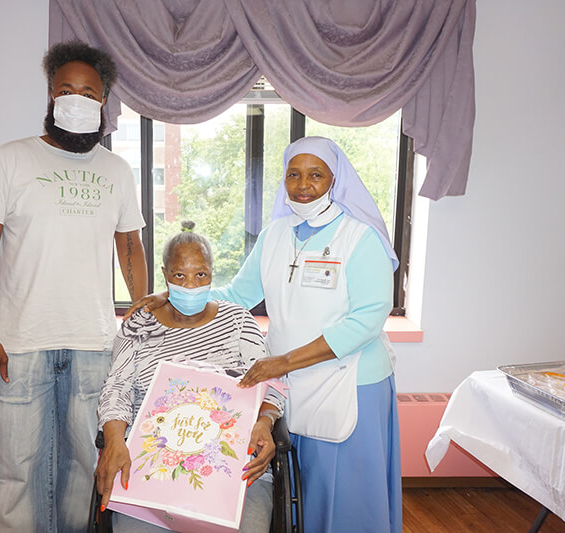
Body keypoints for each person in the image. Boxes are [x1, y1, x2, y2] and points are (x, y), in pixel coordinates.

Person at [127, 137, 402, 532]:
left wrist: (283, 361)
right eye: (293, 174)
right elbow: (238, 294)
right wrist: (171, 294)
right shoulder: (276, 235)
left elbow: (368, 318)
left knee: (347, 501)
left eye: (315, 175)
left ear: (335, 180)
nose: (302, 185)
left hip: (351, 382)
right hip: (290, 384)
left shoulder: (359, 238)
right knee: (303, 495)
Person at [0, 40, 148, 533]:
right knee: (14, 472)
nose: (76, 98)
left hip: (93, 345)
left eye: (89, 91)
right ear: (49, 94)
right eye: (66, 88)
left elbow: (130, 248)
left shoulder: (117, 171)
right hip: (18, 346)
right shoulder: (9, 160)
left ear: (104, 102)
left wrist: (141, 316)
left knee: (81, 471)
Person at [96, 223, 285, 533]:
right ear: (165, 273)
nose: (191, 284)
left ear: (213, 274)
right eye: (179, 276)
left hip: (231, 467)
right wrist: (115, 439)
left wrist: (264, 423)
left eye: (201, 275)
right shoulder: (139, 325)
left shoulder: (238, 321)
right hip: (150, 468)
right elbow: (116, 389)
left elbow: (272, 387)